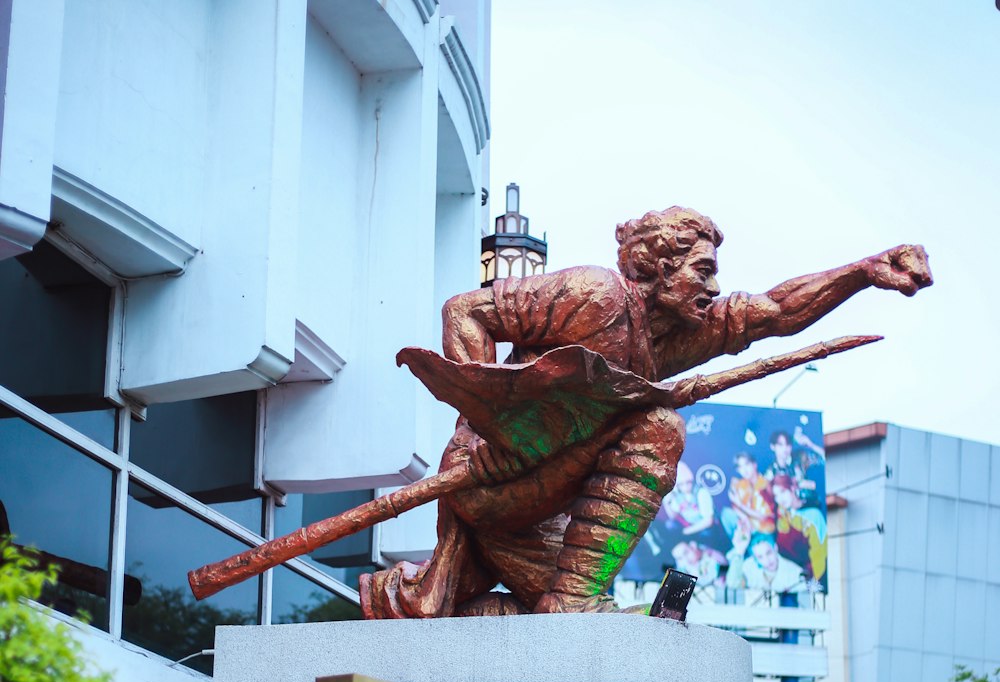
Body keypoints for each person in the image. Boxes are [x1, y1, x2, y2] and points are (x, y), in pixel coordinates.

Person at [361, 207, 931, 618]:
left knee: (527, 615)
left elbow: (776, 311)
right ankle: (572, 600)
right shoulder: (596, 296)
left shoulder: (682, 333)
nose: (714, 286)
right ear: (658, 267)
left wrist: (863, 271)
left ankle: (557, 600)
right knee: (656, 426)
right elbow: (466, 310)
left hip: (540, 502)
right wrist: (490, 430)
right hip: (492, 472)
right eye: (702, 270)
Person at [771, 474, 827, 582]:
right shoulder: (782, 513)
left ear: (792, 489)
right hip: (786, 577)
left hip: (810, 577)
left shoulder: (814, 516)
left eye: (783, 492)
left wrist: (814, 580)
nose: (780, 499)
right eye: (776, 496)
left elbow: (819, 553)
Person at [726, 529, 807, 596]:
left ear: (775, 548)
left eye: (769, 553)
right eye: (760, 557)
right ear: (755, 558)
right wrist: (739, 551)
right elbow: (733, 587)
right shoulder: (749, 566)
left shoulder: (796, 573)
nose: (767, 560)